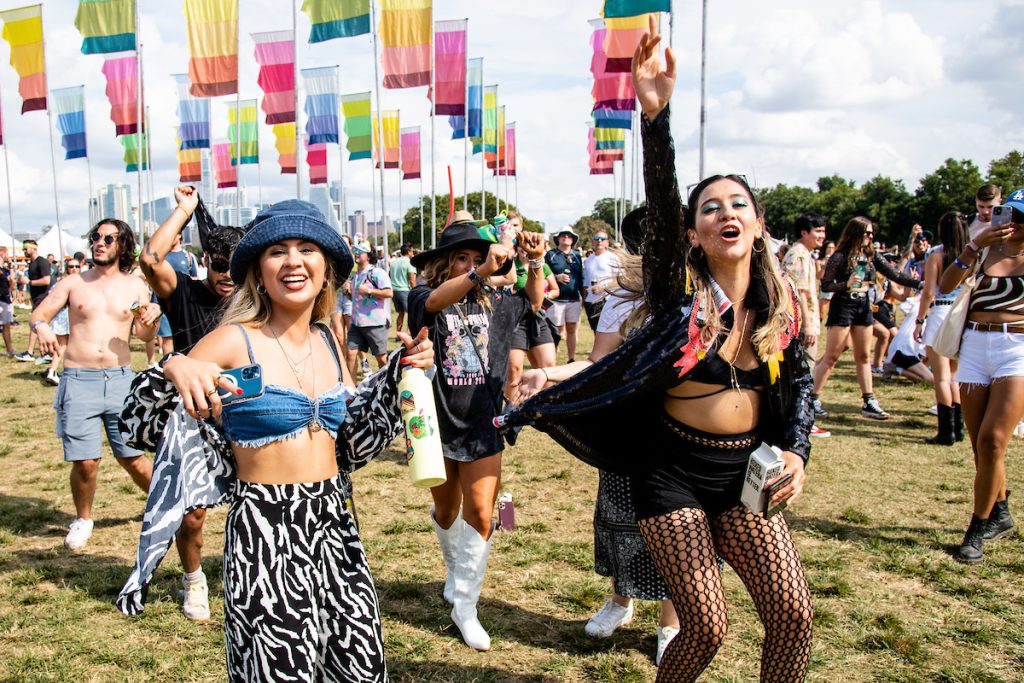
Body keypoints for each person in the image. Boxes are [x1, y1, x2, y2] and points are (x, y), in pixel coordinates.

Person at [503, 21, 814, 679]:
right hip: (669, 473)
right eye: (709, 209)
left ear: (757, 225)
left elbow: (800, 391)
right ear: (695, 235)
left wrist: (796, 452)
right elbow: (664, 205)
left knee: (793, 614)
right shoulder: (683, 301)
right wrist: (656, 118)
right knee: (704, 627)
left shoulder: (779, 312)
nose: (725, 212)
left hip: (743, 476)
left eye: (738, 204)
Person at [129, 199, 433, 680]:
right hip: (266, 529)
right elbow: (141, 422)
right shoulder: (234, 339)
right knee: (279, 667)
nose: (293, 261)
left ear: (326, 269)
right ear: (258, 272)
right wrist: (173, 365)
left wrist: (402, 369)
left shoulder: (327, 340)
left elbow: (351, 439)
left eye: (306, 248)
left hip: (335, 523)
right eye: (277, 251)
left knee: (357, 662)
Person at [512, 208, 681, 666]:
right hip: (626, 428)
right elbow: (597, 362)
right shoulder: (622, 300)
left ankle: (671, 621)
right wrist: (547, 373)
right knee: (618, 517)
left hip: (683, 430)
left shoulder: (700, 296)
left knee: (677, 526)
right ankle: (621, 601)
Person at [407, 219, 545, 651]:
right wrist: (479, 272)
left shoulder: (501, 299)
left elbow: (535, 302)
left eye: (477, 256)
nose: (472, 264)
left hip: (485, 420)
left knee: (482, 514)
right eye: (462, 258)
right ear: (446, 263)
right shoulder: (423, 297)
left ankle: (465, 606)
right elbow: (433, 300)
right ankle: (455, 573)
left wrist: (535, 261)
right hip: (437, 421)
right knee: (447, 512)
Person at [139, 186, 243, 621]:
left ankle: (246, 575)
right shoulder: (184, 293)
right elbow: (150, 260)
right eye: (220, 265)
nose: (227, 276)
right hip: (195, 416)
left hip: (242, 414)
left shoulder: (250, 301)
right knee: (194, 513)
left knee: (253, 503)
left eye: (236, 267)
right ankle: (194, 580)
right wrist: (185, 210)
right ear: (207, 262)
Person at [29, 219, 161, 550]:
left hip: (120, 379)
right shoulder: (73, 283)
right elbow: (39, 315)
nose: (99, 243)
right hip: (79, 378)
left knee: (132, 457)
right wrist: (42, 328)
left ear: (123, 245)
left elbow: (144, 335)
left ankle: (163, 504)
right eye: (96, 237)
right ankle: (83, 518)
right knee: (86, 460)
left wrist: (151, 321)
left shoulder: (135, 287)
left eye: (108, 238)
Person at [939, 188, 1024, 563]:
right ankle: (1000, 512)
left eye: (1020, 217)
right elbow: (945, 286)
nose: (1012, 222)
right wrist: (973, 246)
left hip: (1016, 349)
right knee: (980, 448)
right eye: (1011, 213)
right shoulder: (985, 248)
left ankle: (977, 527)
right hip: (974, 346)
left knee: (992, 441)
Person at [811, 216, 921, 420]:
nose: (870, 236)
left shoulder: (871, 256)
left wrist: (918, 284)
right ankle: (812, 399)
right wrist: (846, 284)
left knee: (863, 356)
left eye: (872, 233)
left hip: (863, 305)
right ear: (856, 233)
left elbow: (894, 274)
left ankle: (869, 401)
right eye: (866, 233)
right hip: (843, 304)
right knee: (832, 356)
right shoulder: (839, 256)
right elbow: (826, 285)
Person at [914, 211, 970, 445]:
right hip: (961, 313)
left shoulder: (936, 257)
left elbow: (928, 292)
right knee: (955, 375)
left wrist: (919, 321)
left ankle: (946, 431)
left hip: (940, 312)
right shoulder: (971, 256)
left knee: (941, 377)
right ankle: (958, 427)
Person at [782, 213, 829, 438]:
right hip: (801, 324)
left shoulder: (806, 255)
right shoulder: (798, 255)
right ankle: (802, 423)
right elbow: (798, 293)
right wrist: (808, 325)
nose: (822, 235)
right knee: (803, 373)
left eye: (823, 231)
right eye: (817, 231)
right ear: (804, 232)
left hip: (807, 321)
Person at [505, 240, 559, 399]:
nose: (524, 249)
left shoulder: (543, 265)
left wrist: (545, 296)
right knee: (514, 369)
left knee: (548, 364)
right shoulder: (511, 265)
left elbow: (556, 290)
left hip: (538, 317)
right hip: (516, 319)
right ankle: (511, 411)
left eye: (528, 246)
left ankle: (545, 404)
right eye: (521, 246)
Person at [347, 242, 393, 378]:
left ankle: (386, 385)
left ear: (368, 256)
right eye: (355, 250)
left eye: (360, 251)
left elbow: (389, 293)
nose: (356, 253)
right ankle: (350, 390)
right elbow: (357, 300)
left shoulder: (377, 272)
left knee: (381, 358)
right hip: (356, 322)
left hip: (375, 323)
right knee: (350, 353)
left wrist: (368, 290)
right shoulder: (356, 275)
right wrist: (347, 293)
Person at [545, 227, 584, 361]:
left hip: (574, 299)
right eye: (563, 235)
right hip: (557, 300)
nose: (566, 237)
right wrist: (556, 277)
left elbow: (581, 278)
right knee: (556, 332)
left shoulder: (577, 256)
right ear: (558, 238)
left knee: (572, 330)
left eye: (569, 235)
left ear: (573, 240)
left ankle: (571, 359)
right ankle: (551, 360)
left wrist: (583, 298)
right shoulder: (551, 255)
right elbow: (543, 275)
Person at [42, 259, 81, 385]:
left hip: (74, 318)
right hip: (64, 318)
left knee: (71, 346)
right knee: (62, 346)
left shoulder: (83, 282)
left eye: (77, 266)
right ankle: (52, 371)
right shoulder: (62, 283)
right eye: (71, 266)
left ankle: (62, 370)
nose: (74, 268)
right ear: (67, 269)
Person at [14, 239, 54, 362]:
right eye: (23, 249)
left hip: (43, 298)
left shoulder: (41, 262)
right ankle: (46, 352)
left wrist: (29, 282)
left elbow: (47, 280)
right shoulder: (32, 263)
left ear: (33, 248)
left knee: (35, 324)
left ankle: (31, 352)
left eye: (26, 249)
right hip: (36, 298)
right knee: (39, 325)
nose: (24, 251)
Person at [583, 229, 620, 329]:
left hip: (607, 300)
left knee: (608, 330)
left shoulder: (613, 258)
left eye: (603, 239)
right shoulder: (588, 260)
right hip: (591, 301)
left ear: (607, 242)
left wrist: (603, 287)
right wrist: (584, 301)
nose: (599, 240)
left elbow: (620, 281)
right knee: (596, 330)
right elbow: (586, 284)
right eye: (597, 238)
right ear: (593, 241)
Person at [390, 243, 417, 334]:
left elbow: (389, 275)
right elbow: (412, 281)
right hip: (404, 291)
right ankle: (409, 334)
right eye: (412, 251)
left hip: (394, 291)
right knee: (411, 314)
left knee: (400, 314)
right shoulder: (410, 263)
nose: (412, 253)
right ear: (408, 251)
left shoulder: (393, 262)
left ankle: (398, 334)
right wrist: (416, 292)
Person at [0, 254, 15, 357]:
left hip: (5, 299)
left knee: (6, 325)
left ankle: (10, 350)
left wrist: (10, 267)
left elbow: (12, 279)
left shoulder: (4, 270)